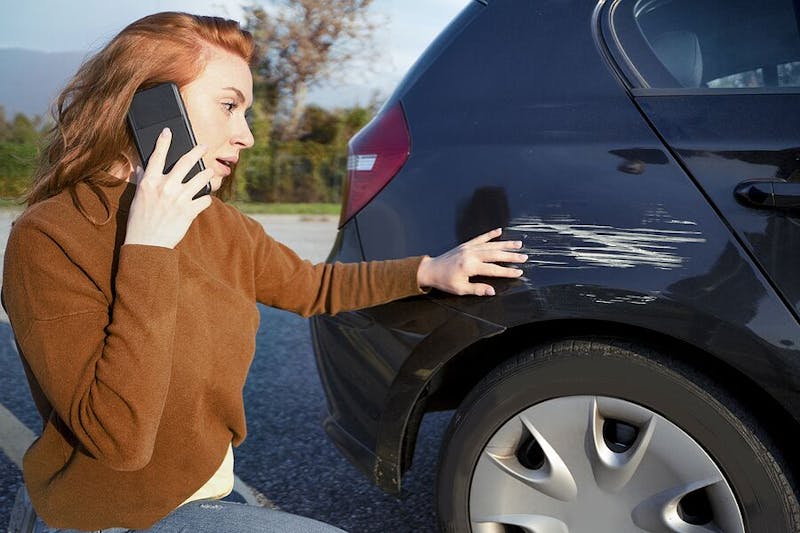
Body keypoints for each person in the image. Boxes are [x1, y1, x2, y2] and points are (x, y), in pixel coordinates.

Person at [2, 11, 527, 533]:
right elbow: (117, 438)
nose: (246, 136)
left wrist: (429, 271)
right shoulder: (50, 238)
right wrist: (148, 247)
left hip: (207, 487)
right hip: (113, 515)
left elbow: (312, 286)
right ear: (150, 105)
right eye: (229, 106)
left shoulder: (222, 225)